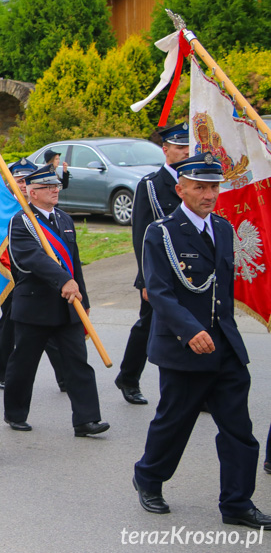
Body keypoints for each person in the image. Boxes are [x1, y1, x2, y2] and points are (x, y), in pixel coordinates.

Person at [132, 153, 270, 529]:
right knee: (174, 423)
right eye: (200, 187)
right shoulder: (161, 232)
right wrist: (190, 331)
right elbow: (158, 291)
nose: (209, 194)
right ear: (181, 189)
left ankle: (237, 503)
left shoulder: (223, 229)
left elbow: (223, 291)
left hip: (224, 347)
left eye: (214, 187)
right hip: (183, 347)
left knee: (239, 430)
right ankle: (148, 478)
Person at [3, 165, 108, 436]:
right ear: (32, 192)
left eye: (56, 186)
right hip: (35, 306)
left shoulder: (64, 219)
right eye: (48, 187)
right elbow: (31, 258)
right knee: (24, 363)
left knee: (78, 363)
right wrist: (64, 280)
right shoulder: (22, 221)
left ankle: (86, 419)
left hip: (67, 305)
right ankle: (15, 413)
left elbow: (74, 264)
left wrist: (82, 297)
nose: (54, 190)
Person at [115, 122, 190, 405]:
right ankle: (128, 378)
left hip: (193, 273)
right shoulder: (151, 185)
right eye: (179, 147)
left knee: (194, 323)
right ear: (166, 149)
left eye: (188, 147)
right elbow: (142, 237)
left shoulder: (196, 182)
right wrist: (146, 279)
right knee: (148, 325)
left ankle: (197, 386)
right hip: (160, 272)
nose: (185, 152)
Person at [0, 158, 66, 391]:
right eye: (19, 181)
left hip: (45, 277)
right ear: (10, 182)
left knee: (51, 328)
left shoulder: (43, 208)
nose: (23, 185)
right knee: (11, 325)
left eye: (27, 180)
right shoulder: (4, 206)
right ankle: (4, 371)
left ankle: (64, 376)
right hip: (12, 274)